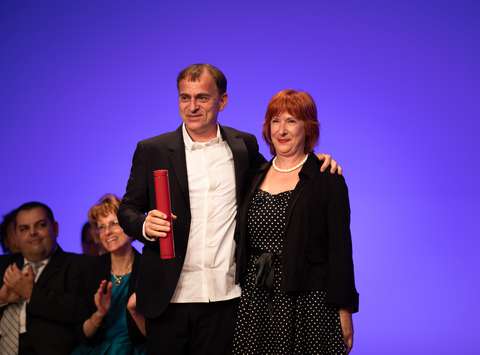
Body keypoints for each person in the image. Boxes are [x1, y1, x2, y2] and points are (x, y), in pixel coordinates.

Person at [118, 63, 340, 355]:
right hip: (168, 298)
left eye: (203, 98)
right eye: (185, 97)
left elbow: (280, 170)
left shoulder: (242, 146)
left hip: (227, 298)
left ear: (222, 100)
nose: (193, 106)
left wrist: (316, 160)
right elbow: (128, 210)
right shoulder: (152, 149)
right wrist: (145, 225)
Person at [233, 89, 359, 355]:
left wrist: (345, 311)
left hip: (308, 302)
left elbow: (340, 251)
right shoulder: (253, 175)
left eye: (292, 121)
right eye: (275, 121)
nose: (282, 129)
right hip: (256, 300)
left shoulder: (327, 178)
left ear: (308, 127)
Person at [0, 201, 84, 355]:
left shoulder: (79, 266)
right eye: (24, 229)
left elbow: (80, 312)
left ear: (55, 228)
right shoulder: (2, 266)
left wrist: (31, 293)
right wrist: (2, 299)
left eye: (41, 225)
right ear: (16, 236)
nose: (32, 233)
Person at [72, 194, 146, 355]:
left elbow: (157, 335)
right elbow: (82, 334)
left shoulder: (147, 268)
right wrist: (99, 313)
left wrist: (135, 312)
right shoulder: (89, 270)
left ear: (131, 227)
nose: (107, 232)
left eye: (114, 223)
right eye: (101, 226)